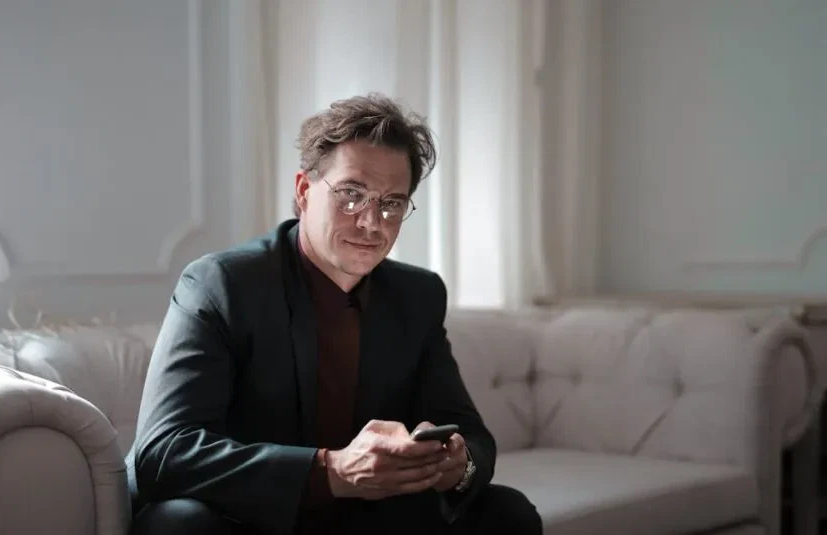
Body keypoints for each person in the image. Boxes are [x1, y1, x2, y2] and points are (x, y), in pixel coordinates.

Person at [126, 93, 543, 534]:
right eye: (351, 195)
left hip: (357, 519)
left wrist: (455, 464)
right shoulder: (221, 284)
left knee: (505, 513)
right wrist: (332, 471)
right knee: (181, 525)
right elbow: (163, 451)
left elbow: (474, 438)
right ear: (304, 191)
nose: (372, 222)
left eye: (392, 203)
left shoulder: (417, 296)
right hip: (248, 516)